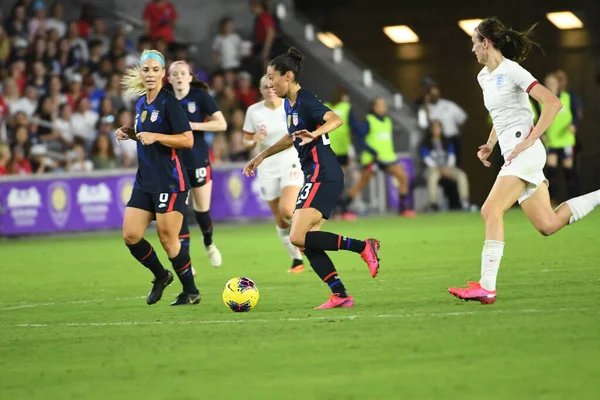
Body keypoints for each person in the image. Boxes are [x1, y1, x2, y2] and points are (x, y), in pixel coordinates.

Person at [448, 18, 600, 304]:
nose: (472, 50)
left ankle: (487, 286)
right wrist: (491, 145)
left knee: (490, 210)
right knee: (548, 224)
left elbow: (553, 102)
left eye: (473, 43)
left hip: (525, 154)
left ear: (486, 43)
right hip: (513, 154)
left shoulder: (513, 70)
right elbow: (500, 115)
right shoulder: (484, 77)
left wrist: (532, 138)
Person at [243, 47, 381, 309]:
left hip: (323, 174)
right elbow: (291, 136)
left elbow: (335, 119)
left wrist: (316, 135)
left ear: (289, 76)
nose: (270, 84)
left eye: (273, 78)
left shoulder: (306, 100)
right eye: (268, 80)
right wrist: (262, 156)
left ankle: (364, 246)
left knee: (297, 236)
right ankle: (340, 294)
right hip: (314, 175)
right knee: (307, 242)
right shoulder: (289, 103)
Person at [115, 49, 201, 306]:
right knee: (131, 235)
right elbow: (146, 135)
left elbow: (187, 139)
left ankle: (191, 291)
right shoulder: (141, 103)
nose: (150, 74)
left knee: (167, 238)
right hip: (145, 180)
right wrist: (129, 133)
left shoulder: (170, 103)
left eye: (155, 70)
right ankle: (161, 275)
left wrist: (157, 137)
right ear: (140, 73)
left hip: (170, 180)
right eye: (146, 70)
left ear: (163, 74)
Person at [166, 60, 227, 268]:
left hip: (198, 158)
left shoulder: (200, 97)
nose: (179, 77)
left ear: (190, 77)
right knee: (180, 210)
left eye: (183, 73)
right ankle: (186, 261)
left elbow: (222, 123)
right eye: (175, 74)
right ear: (169, 78)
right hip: (174, 161)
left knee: (202, 210)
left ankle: (209, 243)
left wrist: (192, 125)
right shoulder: (164, 98)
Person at [242, 75, 305, 273]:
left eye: (272, 86)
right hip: (267, 165)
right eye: (265, 87)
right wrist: (254, 141)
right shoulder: (254, 111)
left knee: (287, 209)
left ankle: (306, 234)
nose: (269, 89)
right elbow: (246, 140)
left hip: (291, 160)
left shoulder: (289, 106)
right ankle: (297, 260)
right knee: (279, 218)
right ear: (260, 90)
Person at [339, 97, 416, 217]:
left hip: (387, 158)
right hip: (372, 158)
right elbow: (360, 138)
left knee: (403, 177)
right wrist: (372, 152)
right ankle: (344, 206)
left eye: (384, 105)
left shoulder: (388, 121)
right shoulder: (369, 121)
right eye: (380, 105)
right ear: (374, 107)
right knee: (362, 183)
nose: (383, 108)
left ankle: (402, 208)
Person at [533, 74, 578, 203]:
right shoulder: (541, 101)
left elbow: (576, 114)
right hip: (551, 141)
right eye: (547, 83)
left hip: (566, 140)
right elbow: (537, 119)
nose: (550, 86)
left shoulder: (567, 98)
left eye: (553, 83)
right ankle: (551, 199)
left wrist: (573, 125)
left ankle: (572, 199)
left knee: (568, 169)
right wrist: (541, 134)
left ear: (557, 85)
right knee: (551, 169)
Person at [420, 120, 471, 211]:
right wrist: (440, 168)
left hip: (448, 167)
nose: (436, 130)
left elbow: (452, 156)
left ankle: (464, 201)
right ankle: (433, 203)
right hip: (434, 168)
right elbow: (426, 158)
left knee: (461, 175)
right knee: (433, 177)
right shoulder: (425, 143)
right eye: (434, 128)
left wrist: (448, 167)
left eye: (438, 128)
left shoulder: (447, 141)